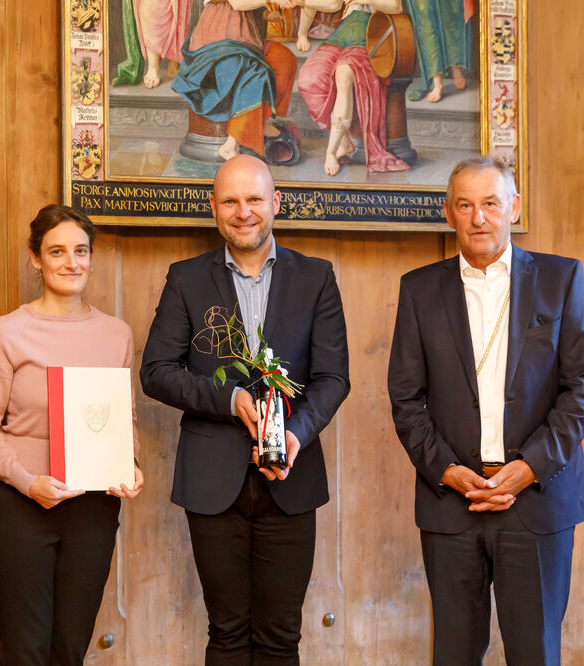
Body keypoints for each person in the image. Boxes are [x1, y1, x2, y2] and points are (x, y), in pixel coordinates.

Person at [387, 156, 584, 665]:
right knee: (455, 655)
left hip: (537, 503)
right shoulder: (419, 289)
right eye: (465, 205)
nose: (478, 217)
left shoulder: (561, 278)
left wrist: (527, 470)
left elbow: (581, 390)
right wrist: (448, 471)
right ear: (448, 213)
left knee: (534, 653)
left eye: (490, 204)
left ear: (514, 208)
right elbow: (405, 399)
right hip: (452, 503)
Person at [141, 154, 350, 664]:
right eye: (230, 201)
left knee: (281, 637)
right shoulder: (186, 279)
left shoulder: (316, 277)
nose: (243, 212)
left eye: (254, 199)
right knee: (228, 633)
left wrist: (296, 434)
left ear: (275, 203)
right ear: (213, 208)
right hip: (212, 483)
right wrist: (229, 399)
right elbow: (156, 371)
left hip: (291, 481)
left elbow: (333, 378)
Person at [0, 204, 144, 665]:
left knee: (69, 648)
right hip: (19, 507)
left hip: (93, 507)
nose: (72, 262)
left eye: (81, 251)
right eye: (57, 251)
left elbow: (121, 417)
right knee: (25, 648)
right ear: (36, 258)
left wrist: (129, 464)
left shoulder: (116, 334)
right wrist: (26, 481)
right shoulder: (6, 333)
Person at [172, 0, 300, 162]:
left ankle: (259, 123)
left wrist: (265, 14)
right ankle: (231, 145)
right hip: (218, 41)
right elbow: (238, 4)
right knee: (254, 73)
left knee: (283, 58)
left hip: (246, 39)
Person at [297, 0, 410, 175]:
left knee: (343, 76)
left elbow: (396, 7)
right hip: (342, 34)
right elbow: (333, 5)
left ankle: (331, 152)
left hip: (370, 34)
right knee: (310, 77)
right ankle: (345, 143)